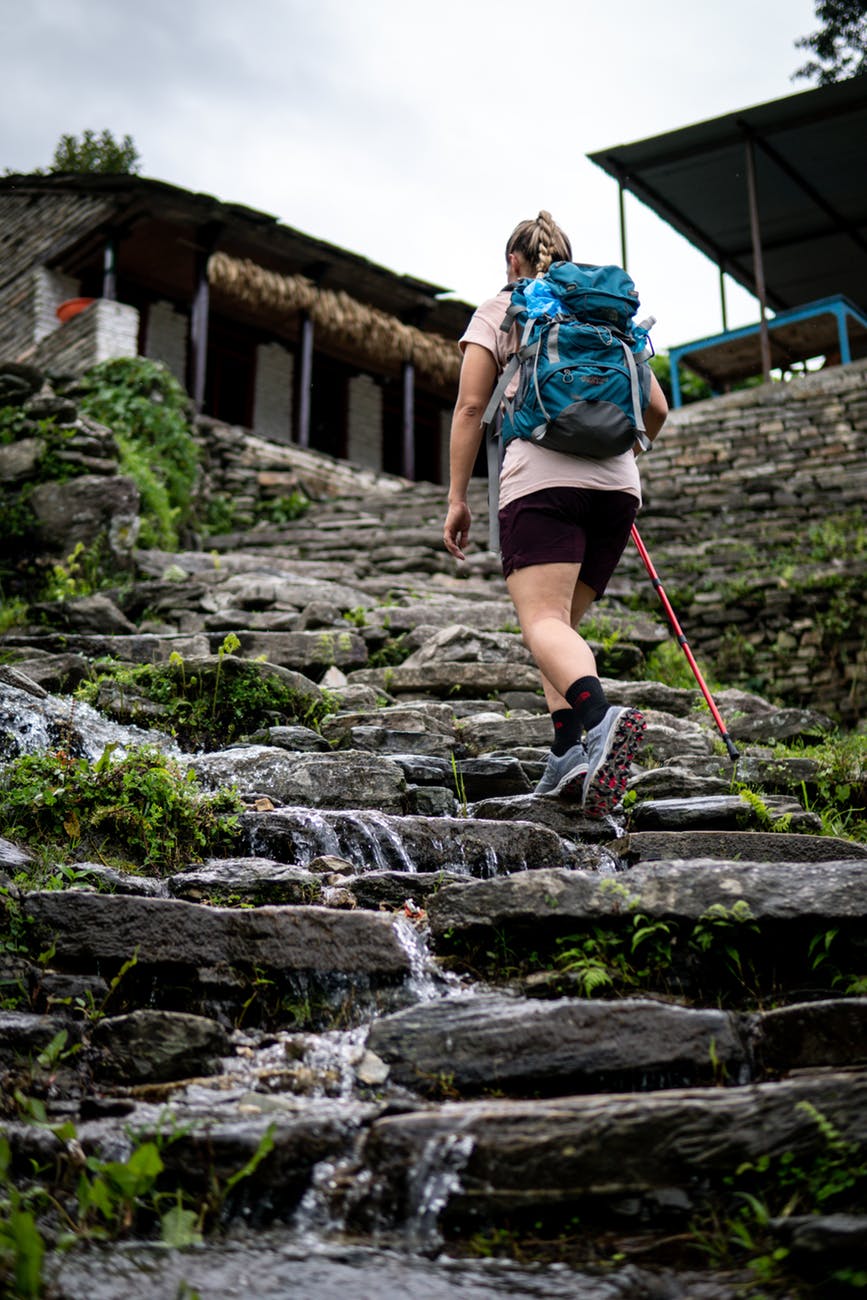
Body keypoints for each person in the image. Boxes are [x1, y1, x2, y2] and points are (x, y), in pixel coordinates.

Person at [443, 211, 669, 818]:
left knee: (541, 622)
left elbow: (469, 410)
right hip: (619, 486)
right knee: (561, 626)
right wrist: (607, 447)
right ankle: (568, 752)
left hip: (540, 479)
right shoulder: (605, 317)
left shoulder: (503, 308)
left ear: (513, 261)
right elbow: (657, 409)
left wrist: (458, 498)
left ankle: (599, 720)